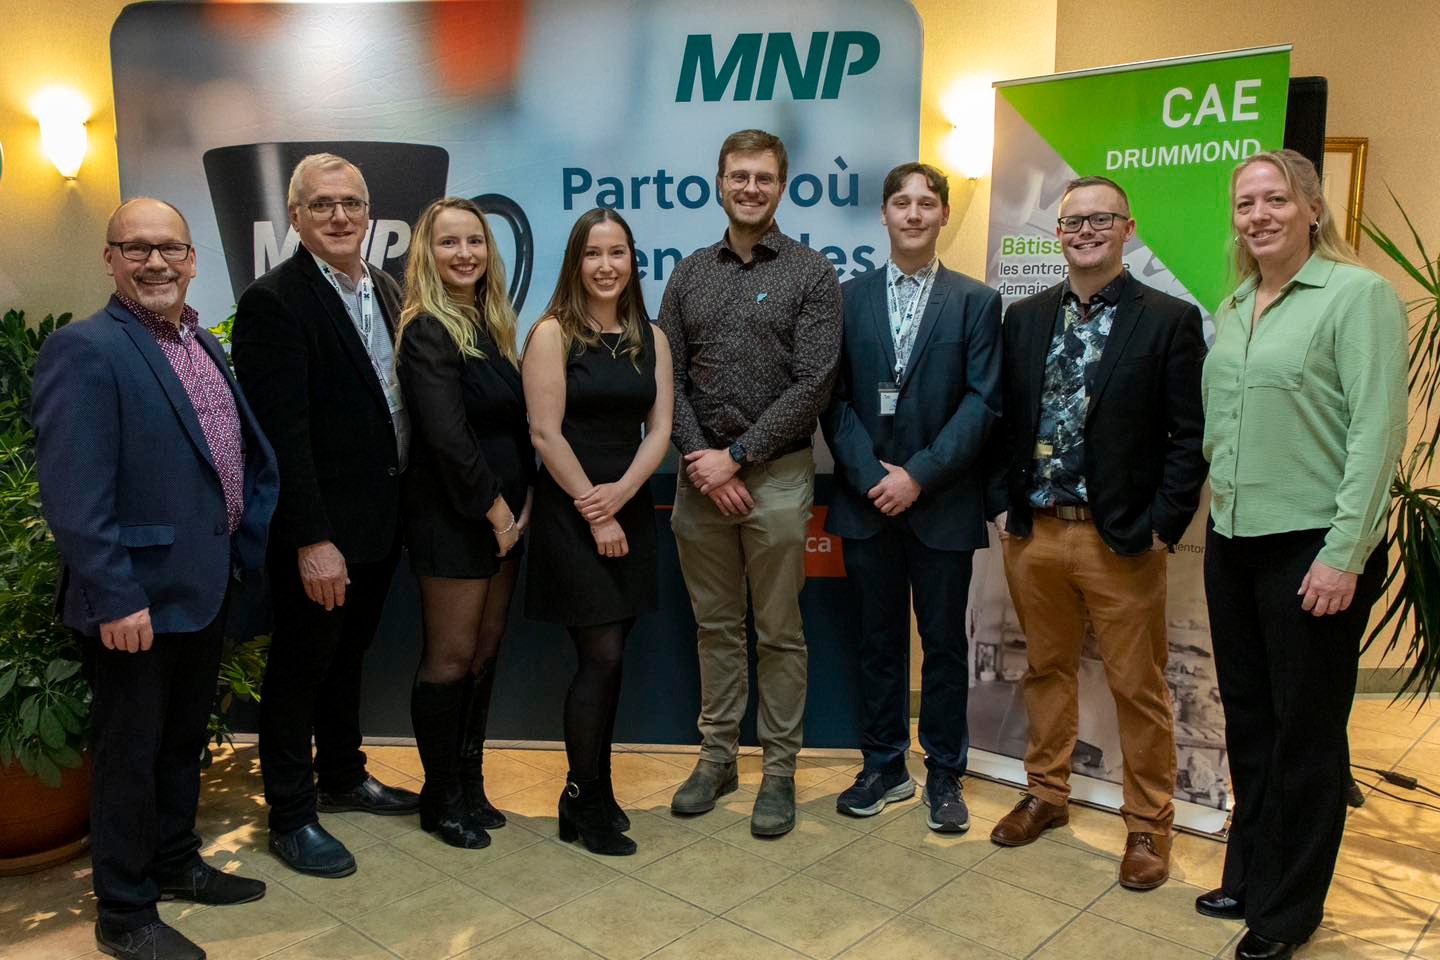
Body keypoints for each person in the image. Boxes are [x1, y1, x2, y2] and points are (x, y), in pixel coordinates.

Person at [33, 199, 279, 960]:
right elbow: (75, 496)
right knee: (129, 758)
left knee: (179, 744)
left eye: (170, 248)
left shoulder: (199, 341)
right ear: (109, 259)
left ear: (193, 259)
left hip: (201, 587)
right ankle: (124, 911)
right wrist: (116, 596)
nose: (155, 263)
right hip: (135, 601)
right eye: (136, 248)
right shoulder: (85, 349)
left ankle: (174, 863)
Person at [1196, 149, 1407, 960]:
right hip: (1234, 541)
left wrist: (1345, 553)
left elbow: (1377, 433)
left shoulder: (1356, 296)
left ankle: (1290, 912)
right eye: (1246, 203)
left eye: (1276, 199)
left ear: (1312, 208)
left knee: (1306, 735)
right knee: (1250, 723)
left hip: (1314, 548)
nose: (1259, 215)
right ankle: (1251, 876)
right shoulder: (1236, 304)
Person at [986, 175, 1207, 889]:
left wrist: (1162, 526)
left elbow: (1189, 437)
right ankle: (1046, 795)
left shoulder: (1168, 319)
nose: (1085, 231)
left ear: (1127, 229)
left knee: (1137, 687)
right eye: (1073, 221)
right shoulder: (1024, 318)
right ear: (1058, 233)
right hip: (1036, 532)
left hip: (1122, 541)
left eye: (1101, 219)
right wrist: (1001, 506)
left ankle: (1148, 824)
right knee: (1046, 670)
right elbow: (1002, 421)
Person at [232, 153, 419, 879]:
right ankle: (290, 814)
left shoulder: (389, 288)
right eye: (321, 205)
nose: (339, 217)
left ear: (369, 213)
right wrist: (312, 539)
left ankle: (342, 775)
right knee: (301, 667)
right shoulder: (274, 301)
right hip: (322, 534)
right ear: (295, 217)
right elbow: (281, 437)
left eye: (351, 204)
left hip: (381, 520)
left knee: (349, 657)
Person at [660, 129, 841, 838]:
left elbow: (815, 382)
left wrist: (737, 455)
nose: (750, 188)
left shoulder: (811, 273)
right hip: (699, 478)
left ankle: (780, 771)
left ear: (781, 186)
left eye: (764, 177)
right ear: (720, 182)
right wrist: (705, 461)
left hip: (778, 476)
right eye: (739, 176)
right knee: (715, 627)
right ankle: (717, 759)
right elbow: (667, 380)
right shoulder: (688, 275)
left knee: (779, 632)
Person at [820, 162, 1001, 831]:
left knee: (944, 646)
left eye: (928, 203)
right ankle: (884, 765)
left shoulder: (976, 301)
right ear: (885, 214)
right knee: (877, 642)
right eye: (902, 202)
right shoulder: (847, 298)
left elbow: (983, 403)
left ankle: (945, 773)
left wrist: (917, 475)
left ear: (944, 214)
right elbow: (832, 399)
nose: (915, 213)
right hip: (866, 503)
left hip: (942, 505)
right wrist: (874, 476)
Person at [522, 208, 673, 856]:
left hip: (629, 505)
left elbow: (660, 430)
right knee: (600, 657)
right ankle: (585, 798)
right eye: (593, 254)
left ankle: (593, 792)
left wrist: (625, 496)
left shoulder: (651, 337)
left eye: (617, 253)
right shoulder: (552, 333)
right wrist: (597, 509)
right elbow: (544, 433)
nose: (606, 266)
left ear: (633, 260)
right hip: (574, 511)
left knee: (613, 660)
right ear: (575, 262)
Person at [395, 197, 533, 850]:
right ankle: (441, 797)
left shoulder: (491, 325)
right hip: (455, 518)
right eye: (449, 242)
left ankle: (470, 784)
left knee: (484, 653)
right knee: (449, 660)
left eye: (474, 241)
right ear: (427, 253)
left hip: (505, 518)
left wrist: (523, 504)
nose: (464, 253)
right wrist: (499, 512)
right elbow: (448, 440)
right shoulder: (428, 329)